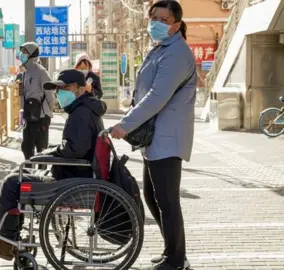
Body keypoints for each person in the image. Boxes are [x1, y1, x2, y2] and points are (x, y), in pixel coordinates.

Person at [0, 69, 107, 260]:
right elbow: (75, 146)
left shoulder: (81, 113)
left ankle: (6, 239)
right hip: (77, 174)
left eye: (63, 88)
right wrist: (51, 151)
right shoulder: (86, 109)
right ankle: (6, 233)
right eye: (58, 90)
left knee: (12, 182)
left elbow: (74, 149)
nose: (59, 93)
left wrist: (48, 153)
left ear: (78, 88)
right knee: (16, 178)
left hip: (72, 179)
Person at [110, 1, 196, 270]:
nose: (156, 23)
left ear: (176, 25)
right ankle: (173, 251)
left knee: (167, 199)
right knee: (153, 196)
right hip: (156, 138)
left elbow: (157, 96)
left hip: (168, 138)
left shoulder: (177, 54)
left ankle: (176, 260)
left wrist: (125, 124)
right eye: (154, 17)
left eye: (164, 19)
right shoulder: (162, 49)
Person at [19, 42, 56, 163]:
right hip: (29, 116)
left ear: (31, 54)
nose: (22, 54)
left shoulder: (41, 71)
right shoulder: (25, 73)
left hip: (41, 116)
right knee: (26, 146)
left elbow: (49, 91)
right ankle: (29, 171)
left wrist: (50, 110)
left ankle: (41, 173)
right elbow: (23, 94)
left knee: (41, 147)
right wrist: (22, 111)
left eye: (25, 52)